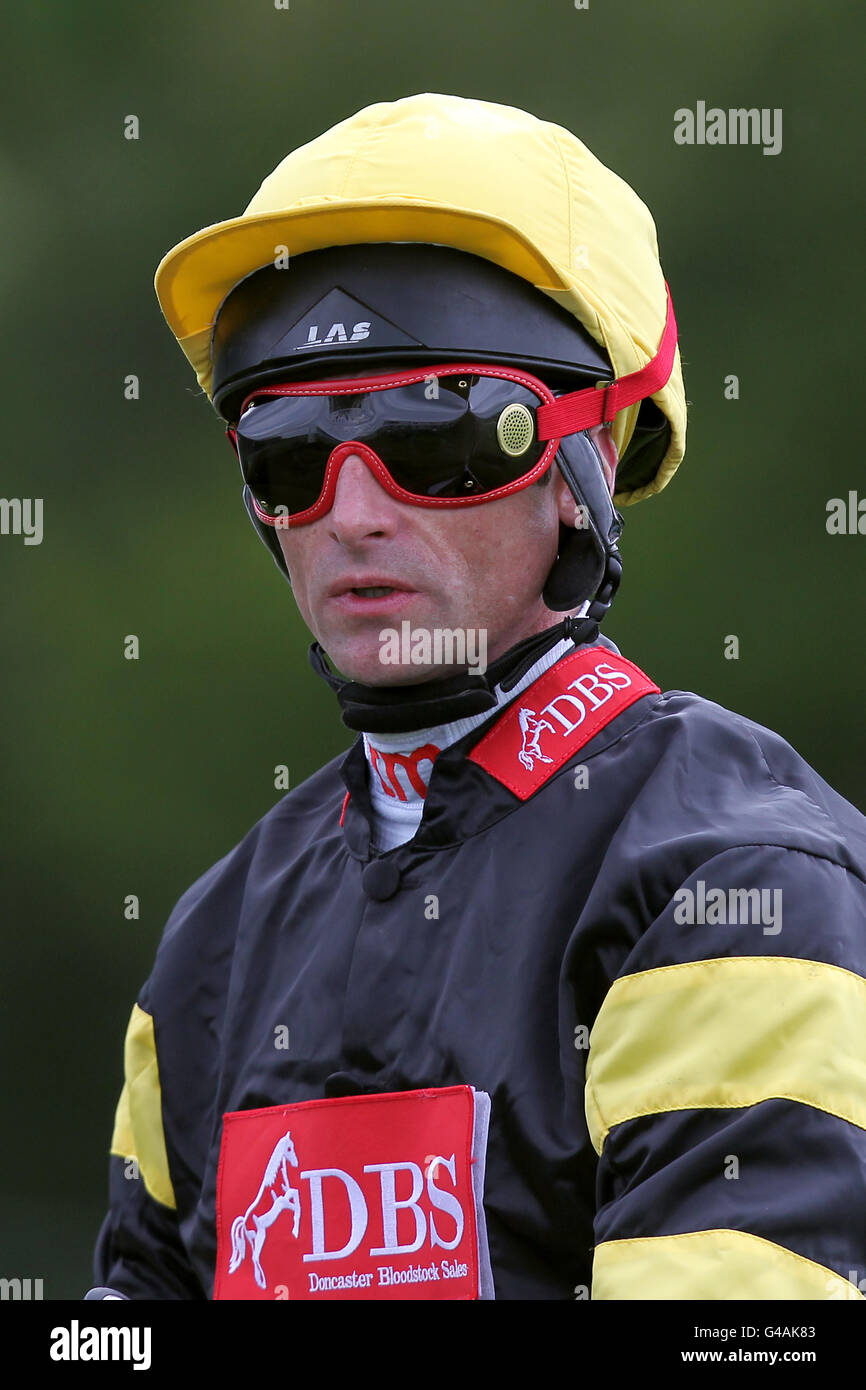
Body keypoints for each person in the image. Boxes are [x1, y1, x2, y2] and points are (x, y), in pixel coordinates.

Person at [89, 93, 866, 1302]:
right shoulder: (211, 939)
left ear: (579, 470)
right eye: (288, 452)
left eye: (435, 437)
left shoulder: (735, 882)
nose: (351, 514)